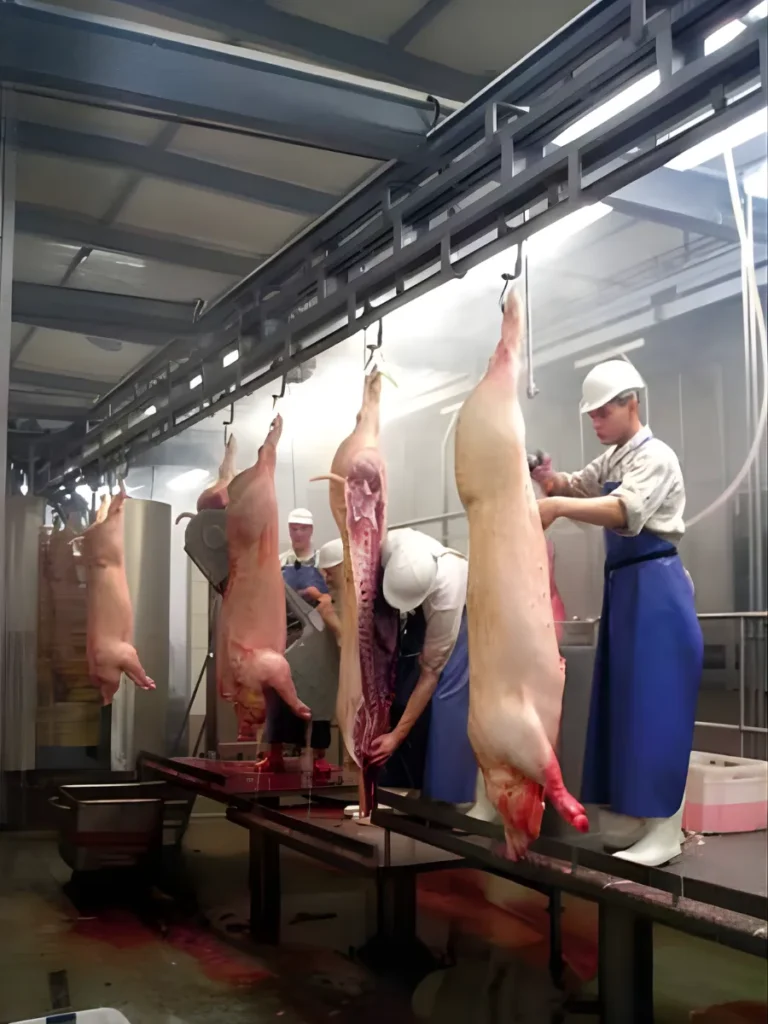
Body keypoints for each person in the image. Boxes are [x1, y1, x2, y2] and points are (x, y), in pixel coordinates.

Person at [532, 359, 703, 867]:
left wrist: (558, 509)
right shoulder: (615, 457)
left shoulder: (655, 457)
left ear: (632, 403)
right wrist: (550, 480)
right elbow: (578, 485)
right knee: (626, 705)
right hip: (625, 590)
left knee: (657, 708)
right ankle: (635, 818)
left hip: (656, 588)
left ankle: (666, 830)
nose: (597, 423)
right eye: (592, 417)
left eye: (603, 413)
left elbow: (625, 513)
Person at [371, 528, 476, 806]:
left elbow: (430, 674)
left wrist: (396, 736)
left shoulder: (447, 599)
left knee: (445, 700)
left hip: (462, 609)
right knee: (400, 687)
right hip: (420, 606)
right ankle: (398, 786)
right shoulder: (392, 545)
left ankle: (445, 798)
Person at [279, 507, 328, 598]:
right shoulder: (280, 562)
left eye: (303, 529)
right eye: (294, 529)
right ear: (289, 530)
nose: (298, 534)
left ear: (311, 530)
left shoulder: (323, 561)